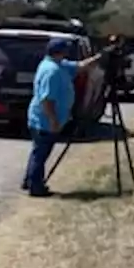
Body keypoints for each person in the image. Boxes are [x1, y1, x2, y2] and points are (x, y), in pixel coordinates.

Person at [23, 37, 105, 197]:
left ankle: (30, 180)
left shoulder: (58, 65)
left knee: (38, 152)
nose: (67, 53)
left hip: (45, 119)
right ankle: (36, 187)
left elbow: (80, 67)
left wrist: (100, 57)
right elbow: (46, 100)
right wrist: (53, 121)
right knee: (41, 154)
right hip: (44, 120)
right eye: (65, 50)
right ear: (59, 52)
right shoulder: (51, 71)